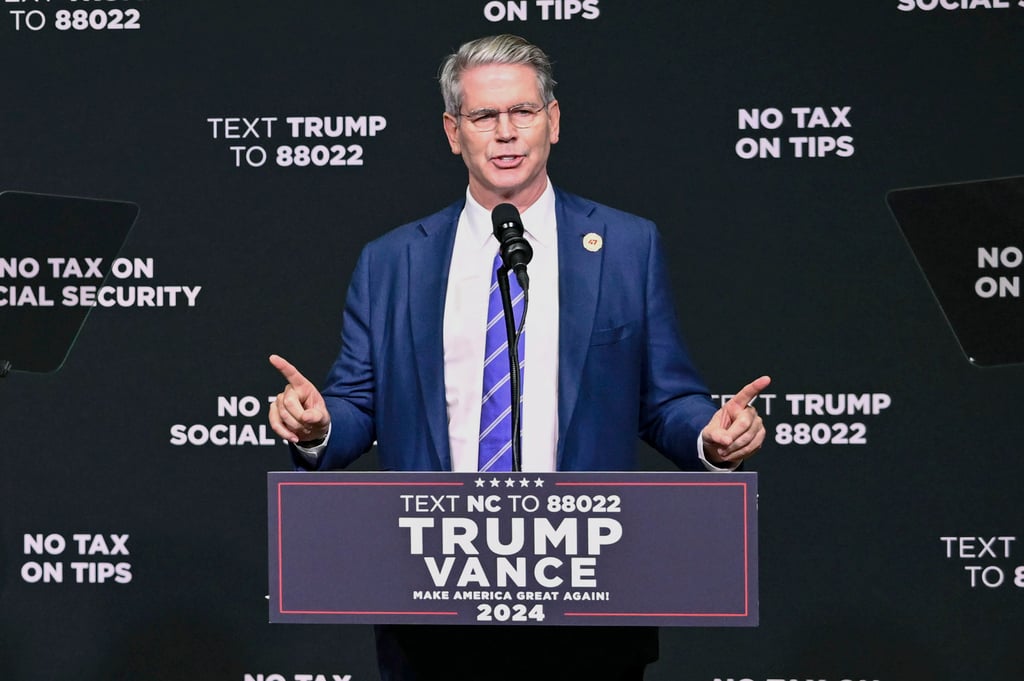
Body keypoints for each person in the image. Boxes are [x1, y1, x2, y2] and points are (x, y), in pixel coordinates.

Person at [268, 34, 769, 681]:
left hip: (590, 598)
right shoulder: (394, 260)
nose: (506, 133)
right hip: (434, 599)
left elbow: (663, 397)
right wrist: (318, 426)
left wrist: (709, 434)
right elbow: (358, 402)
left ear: (553, 121)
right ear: (454, 132)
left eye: (523, 112)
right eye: (484, 116)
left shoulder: (624, 246)